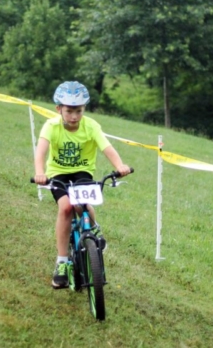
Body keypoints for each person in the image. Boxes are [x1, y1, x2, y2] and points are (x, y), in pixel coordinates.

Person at [34, 81, 131, 289]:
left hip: (82, 172)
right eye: (69, 111)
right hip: (57, 173)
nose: (74, 116)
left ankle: (94, 230)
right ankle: (61, 262)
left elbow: (107, 148)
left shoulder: (91, 126)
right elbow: (41, 150)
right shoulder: (51, 126)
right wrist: (40, 173)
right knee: (67, 207)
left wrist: (120, 165)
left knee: (83, 203)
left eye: (79, 111)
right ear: (59, 109)